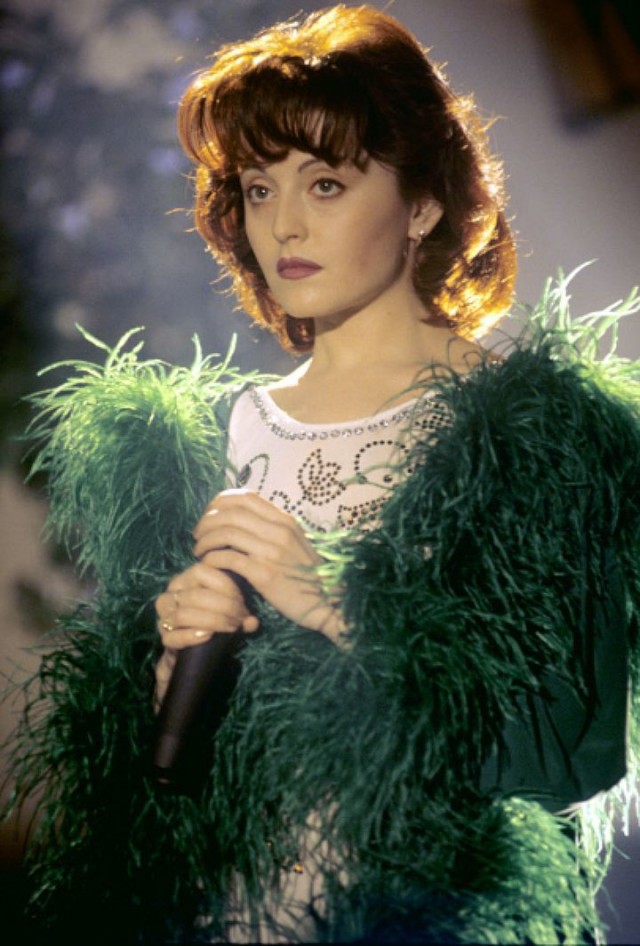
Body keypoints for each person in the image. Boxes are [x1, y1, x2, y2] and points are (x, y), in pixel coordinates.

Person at [6, 5, 640, 945]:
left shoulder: (543, 436)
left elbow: (566, 755)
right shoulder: (213, 436)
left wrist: (334, 601)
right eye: (258, 189)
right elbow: (151, 798)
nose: (285, 223)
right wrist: (171, 668)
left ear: (423, 204)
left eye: (328, 183)